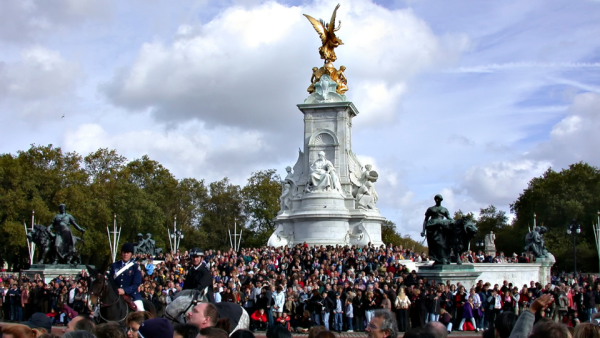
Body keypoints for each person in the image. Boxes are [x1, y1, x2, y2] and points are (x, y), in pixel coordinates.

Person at [109, 243, 144, 311]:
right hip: (115, 293)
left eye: (128, 253)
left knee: (140, 310)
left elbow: (136, 283)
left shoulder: (135, 266)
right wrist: (116, 289)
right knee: (97, 310)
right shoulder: (115, 265)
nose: (125, 254)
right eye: (124, 252)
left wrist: (125, 290)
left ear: (131, 254)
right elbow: (111, 280)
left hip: (131, 294)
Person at [421, 195, 454, 265]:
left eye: (438, 199)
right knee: (435, 243)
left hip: (441, 227)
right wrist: (423, 230)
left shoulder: (444, 209)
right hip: (432, 228)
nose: (437, 200)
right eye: (436, 199)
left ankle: (443, 258)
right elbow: (426, 220)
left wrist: (455, 222)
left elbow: (449, 218)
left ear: (441, 200)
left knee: (442, 243)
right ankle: (438, 259)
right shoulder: (430, 209)